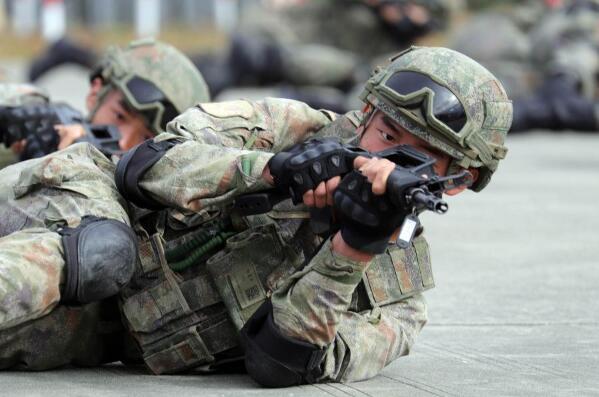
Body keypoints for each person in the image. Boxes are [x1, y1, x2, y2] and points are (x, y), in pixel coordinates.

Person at [0, 46, 512, 386]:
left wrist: (352, 249)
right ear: (368, 114)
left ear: (457, 181)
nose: (384, 159)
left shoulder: (399, 302)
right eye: (386, 135)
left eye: (416, 155)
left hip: (106, 322)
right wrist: (275, 170)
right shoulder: (292, 128)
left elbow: (280, 361)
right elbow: (144, 164)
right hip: (84, 205)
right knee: (104, 253)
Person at [3, 38, 210, 160]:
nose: (124, 142)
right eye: (119, 116)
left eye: (146, 139)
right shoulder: (48, 130)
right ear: (95, 92)